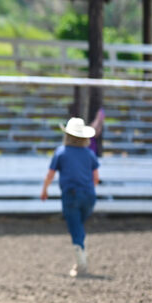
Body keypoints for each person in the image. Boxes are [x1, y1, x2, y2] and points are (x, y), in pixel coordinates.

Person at [40, 117, 100, 277]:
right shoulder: (89, 154)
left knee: (75, 226)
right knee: (80, 223)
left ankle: (81, 263)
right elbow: (96, 178)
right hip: (89, 195)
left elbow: (50, 174)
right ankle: (82, 253)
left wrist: (45, 190)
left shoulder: (61, 152)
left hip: (71, 194)